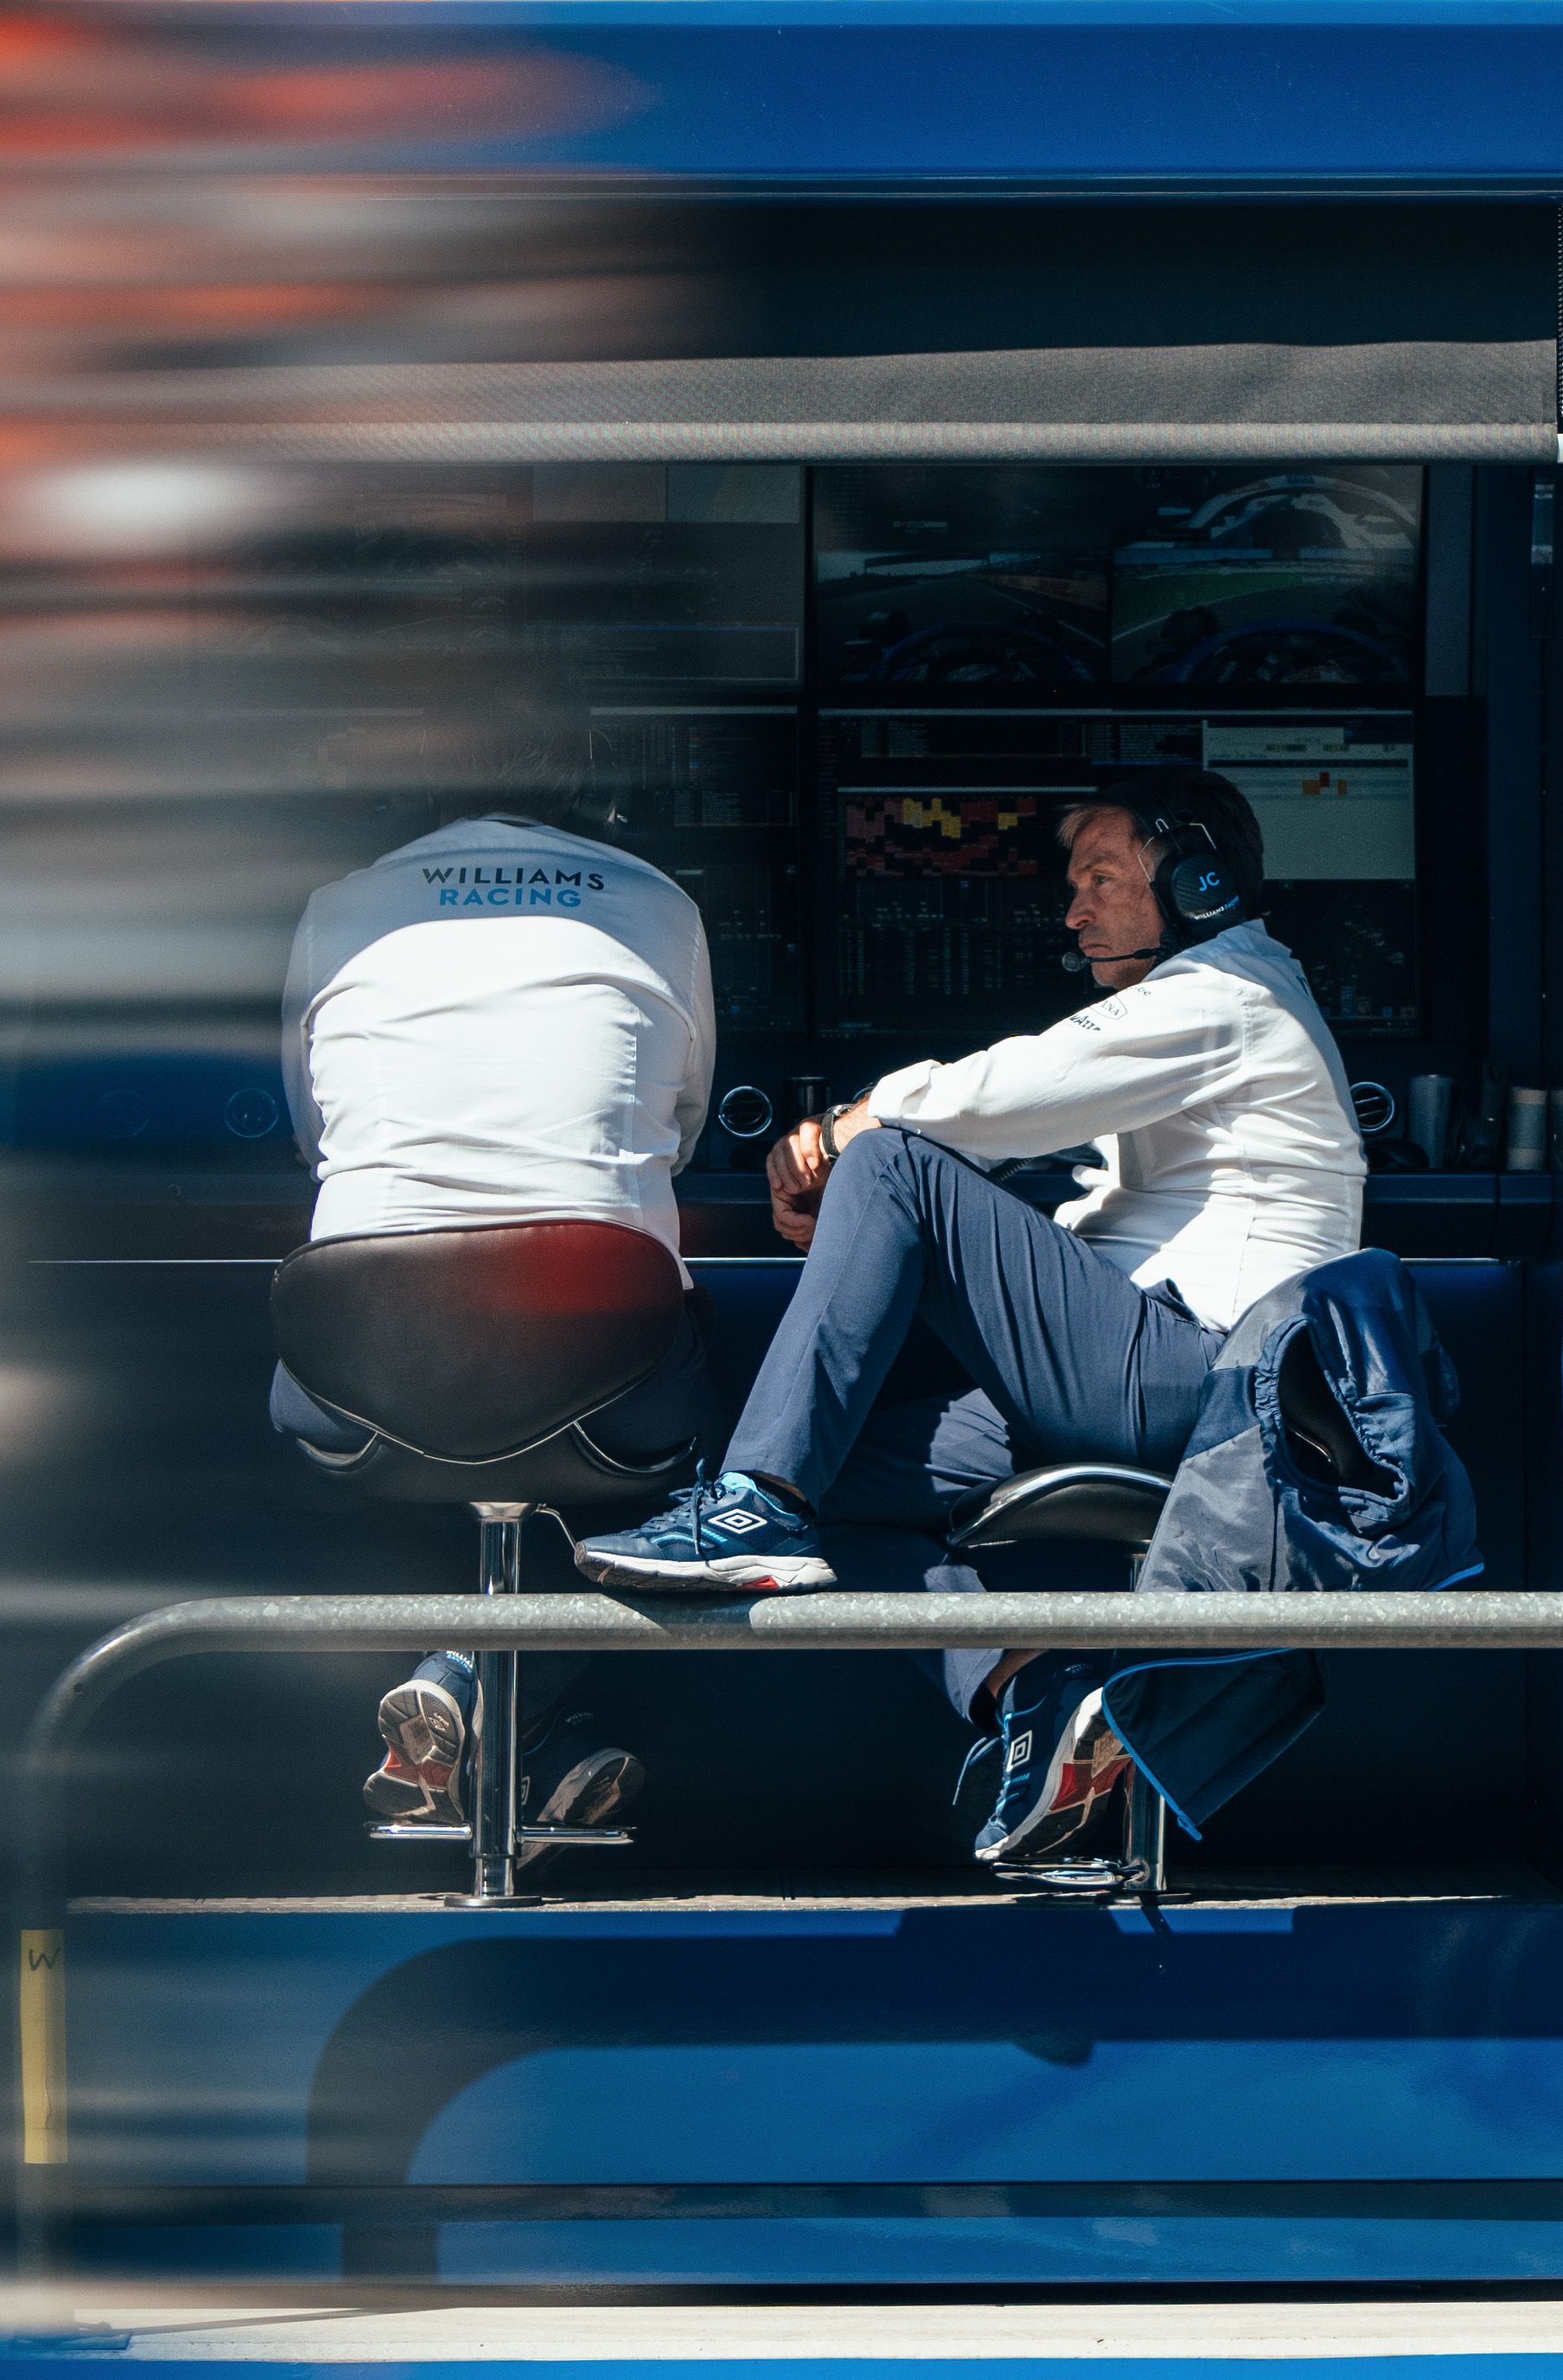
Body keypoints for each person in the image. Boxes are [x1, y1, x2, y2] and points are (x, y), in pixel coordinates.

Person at [570, 767, 1363, 1865]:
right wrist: (872, 1233)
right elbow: (1091, 1207)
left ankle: (757, 1499)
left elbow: (1007, 1095)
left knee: (896, 1160)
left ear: (1196, 880)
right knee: (837, 1485)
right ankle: (1029, 1687)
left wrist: (855, 1138)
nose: (1073, 909)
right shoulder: (1206, 1002)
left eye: (1101, 877)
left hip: (1197, 1372)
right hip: (1147, 1366)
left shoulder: (1232, 991)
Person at [277, 716, 717, 1831]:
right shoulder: (661, 904)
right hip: (609, 1379)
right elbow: (688, 1126)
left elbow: (308, 1130)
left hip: (359, 1379)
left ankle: (491, 1717)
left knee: (462, 1430)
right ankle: (509, 1715)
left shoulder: (339, 909)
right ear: (591, 786)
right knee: (721, 1443)